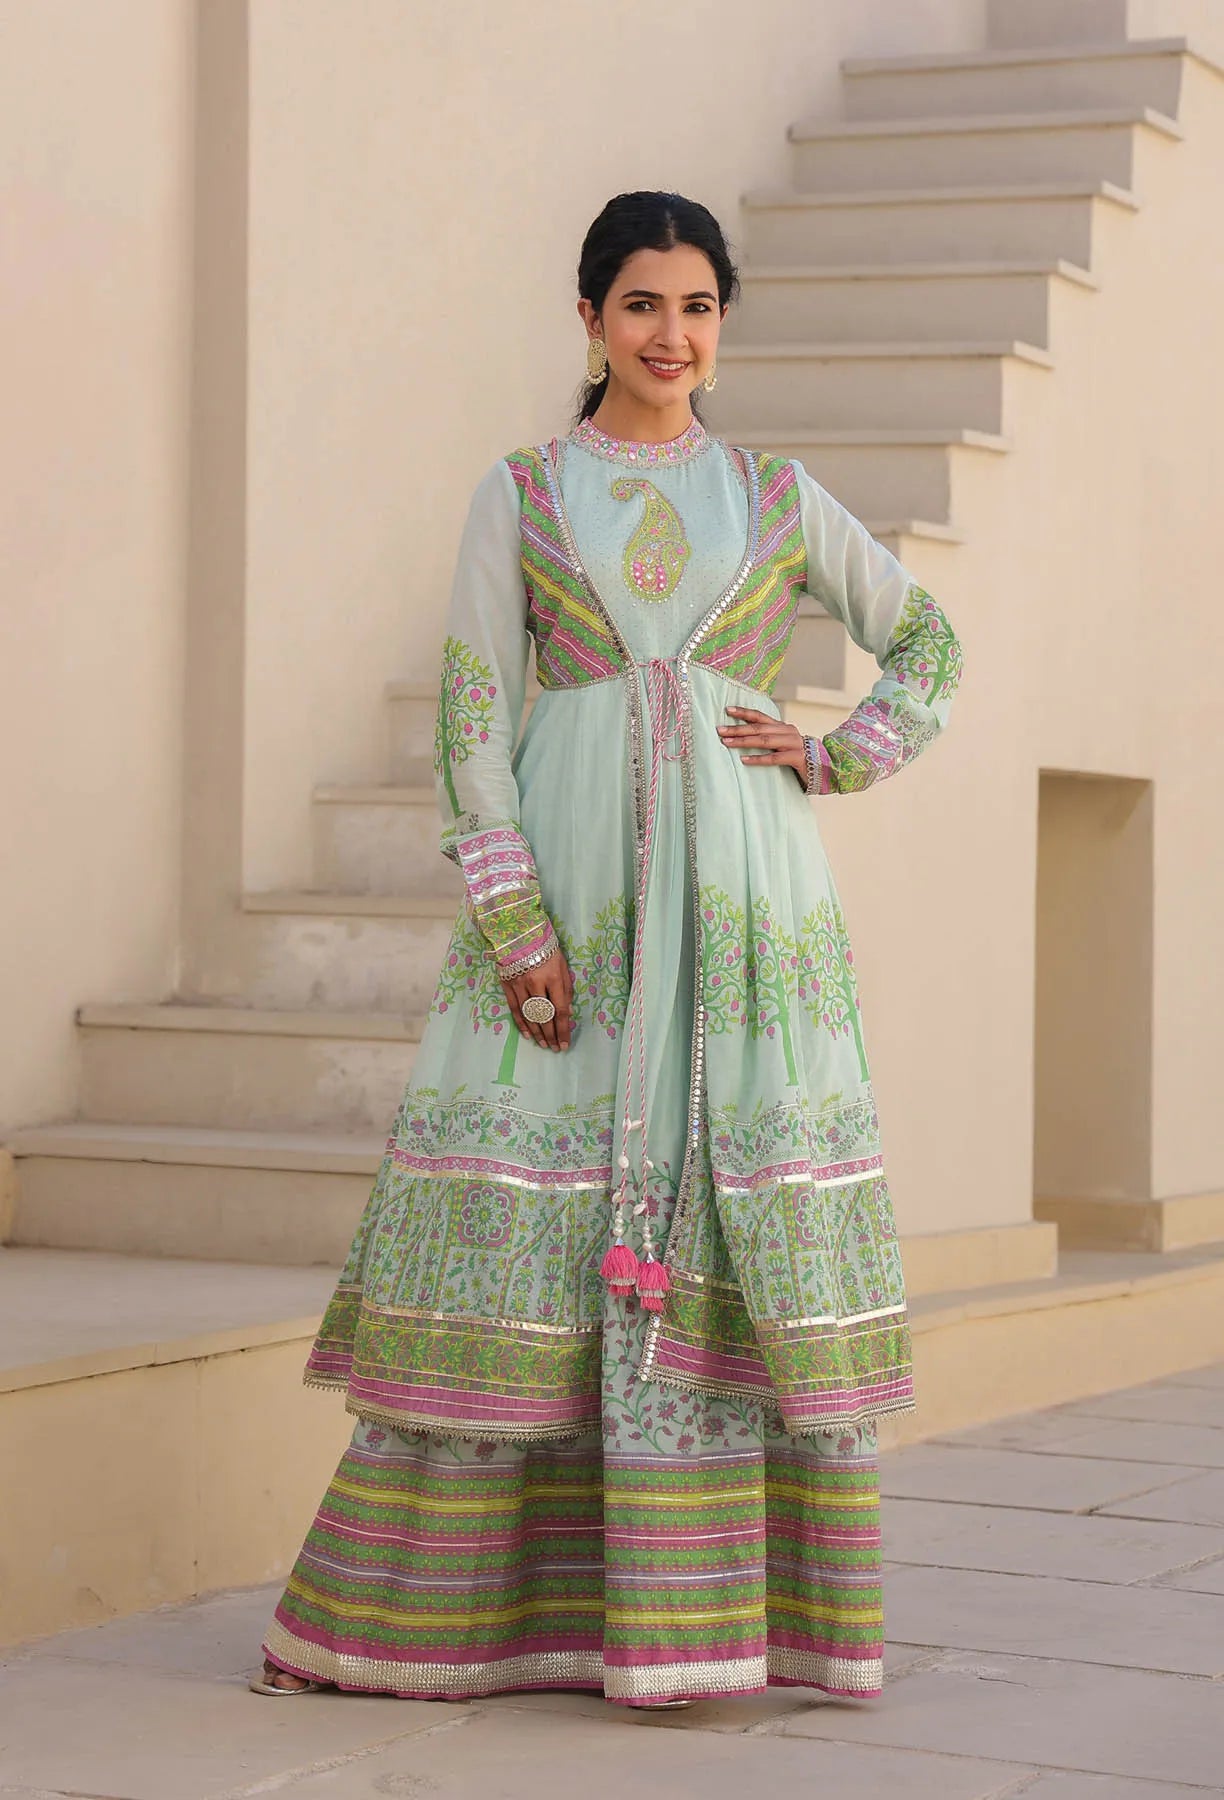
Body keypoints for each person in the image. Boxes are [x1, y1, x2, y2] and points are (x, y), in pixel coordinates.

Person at [251, 190, 963, 1708]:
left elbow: (931, 643)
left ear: (722, 324)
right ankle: (451, 1622)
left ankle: (709, 1625)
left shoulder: (773, 494)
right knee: (540, 1207)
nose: (673, 336)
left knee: (725, 1201)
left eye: (699, 308)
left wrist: (838, 757)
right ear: (587, 320)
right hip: (571, 892)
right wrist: (514, 918)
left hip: (744, 909)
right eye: (643, 305)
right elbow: (467, 711)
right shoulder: (519, 491)